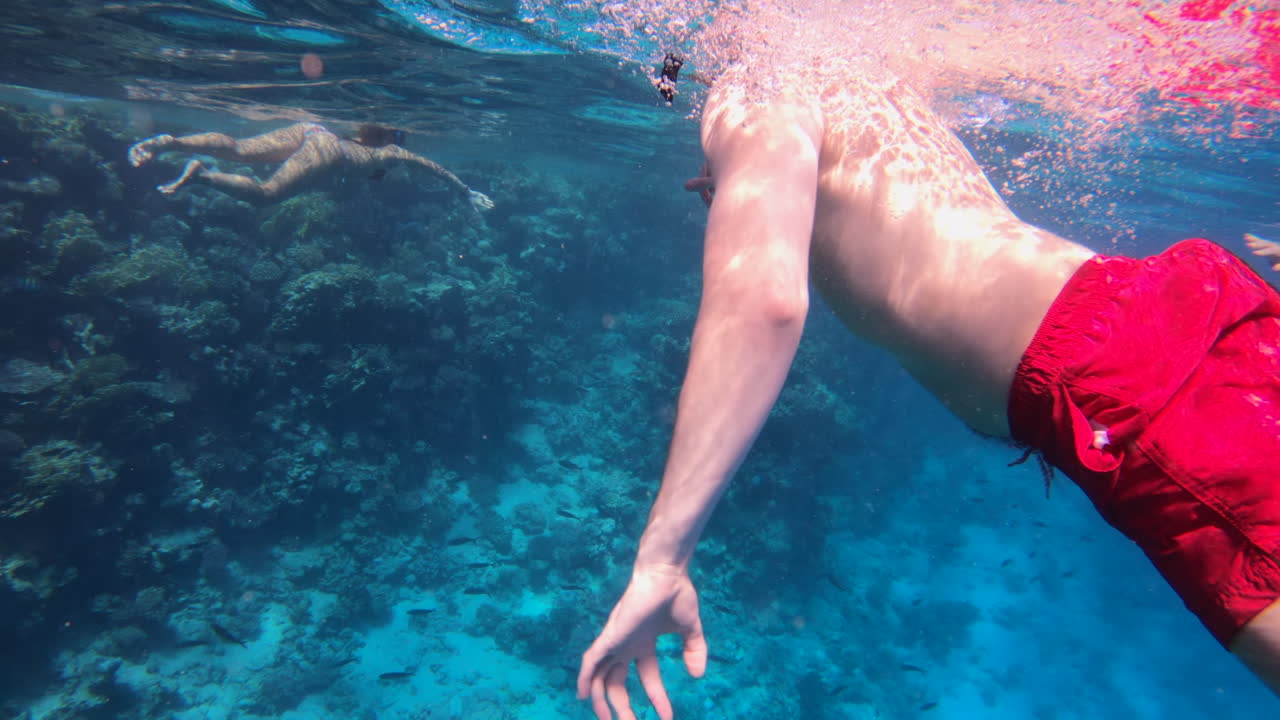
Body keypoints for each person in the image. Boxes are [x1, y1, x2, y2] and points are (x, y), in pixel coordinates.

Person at [576, 62, 1280, 719]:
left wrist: (662, 556)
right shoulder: (849, 71)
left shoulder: (755, 79)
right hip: (1179, 319)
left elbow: (765, 300)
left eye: (669, 80)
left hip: (1127, 376)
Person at [127, 122, 494, 211]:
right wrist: (465, 191)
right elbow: (429, 166)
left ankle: (172, 142)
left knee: (238, 148)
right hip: (331, 153)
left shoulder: (359, 137)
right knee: (266, 195)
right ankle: (201, 175)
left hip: (313, 129)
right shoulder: (390, 153)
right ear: (390, 139)